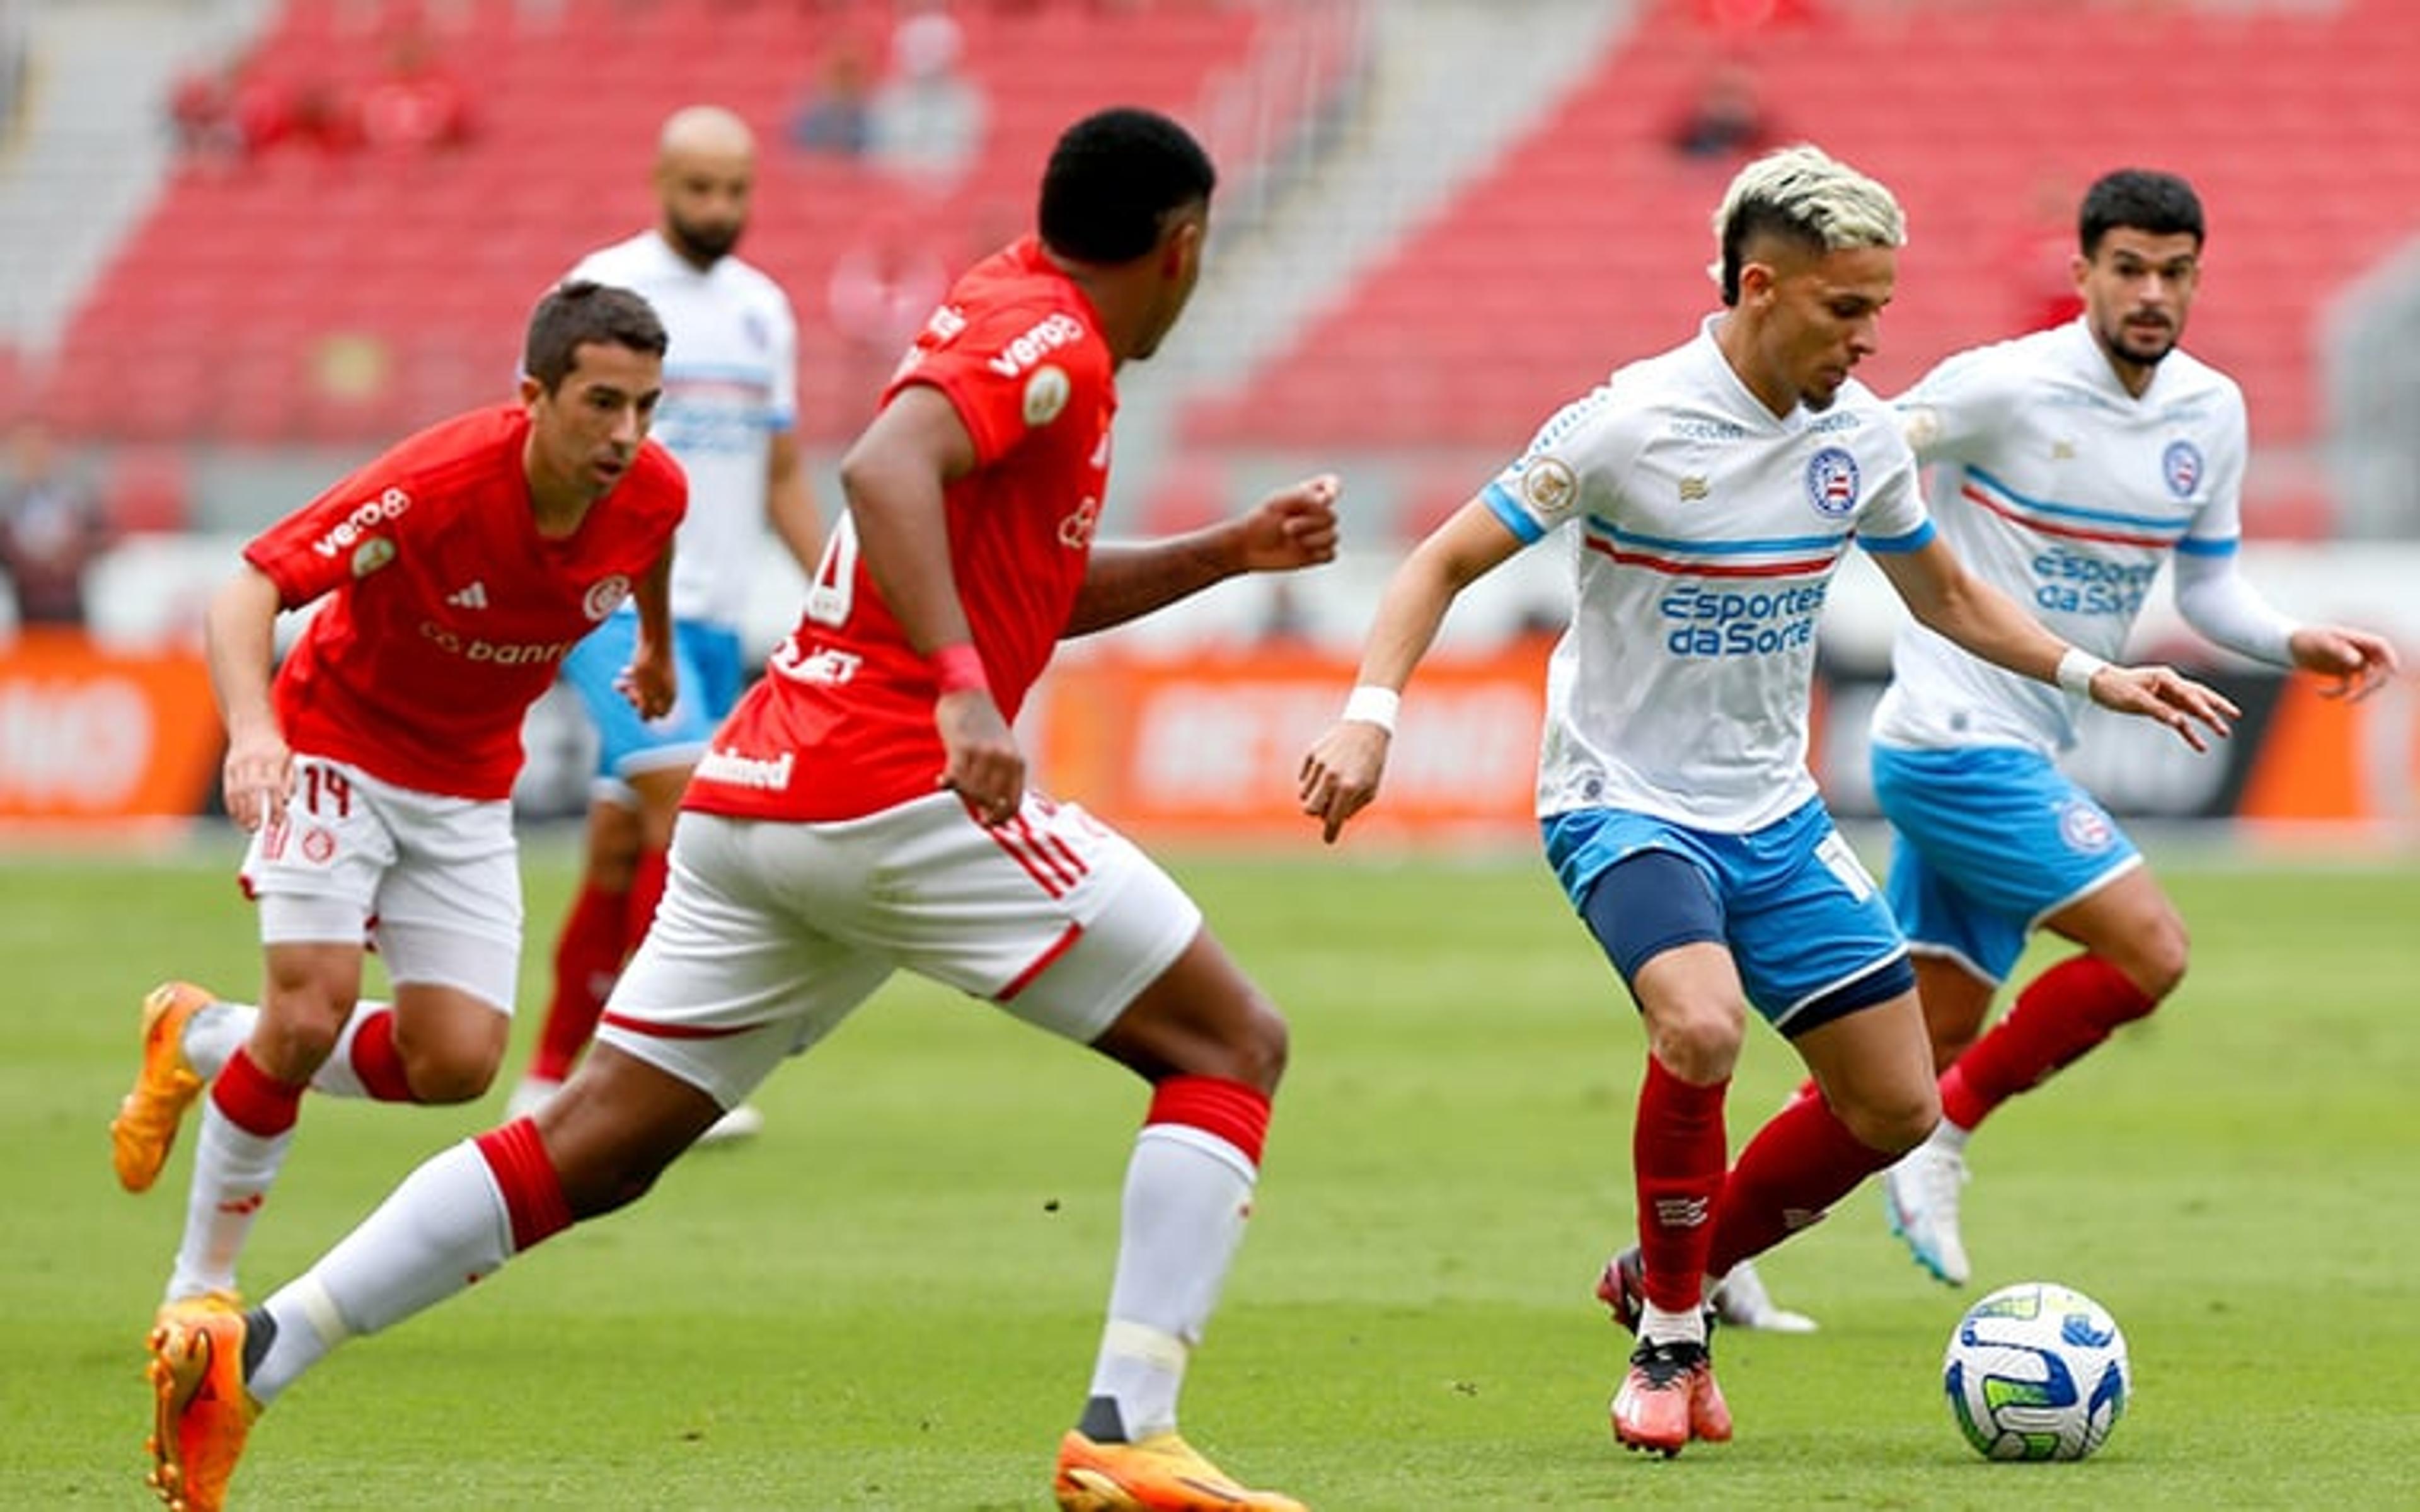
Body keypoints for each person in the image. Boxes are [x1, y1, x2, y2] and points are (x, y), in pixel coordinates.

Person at [142, 106, 1338, 1512]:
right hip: (889, 787)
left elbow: (1016, 582)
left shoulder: (1002, 310)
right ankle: (1127, 1429)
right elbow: (878, 469)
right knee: (1229, 1042)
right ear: (1183, 248)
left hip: (758, 800)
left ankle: (255, 1354)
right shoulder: (1052, 342)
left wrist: (1228, 552)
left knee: (593, 1142)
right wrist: (960, 692)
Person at [1297, 144, 2236, 1458]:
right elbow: (1442, 561)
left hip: (1773, 816)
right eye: (1847, 310)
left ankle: (1656, 1271)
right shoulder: (1629, 423)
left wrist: (2099, 674)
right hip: (1622, 801)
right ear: (1760, 288)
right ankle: (1674, 1347)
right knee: (1701, 1027)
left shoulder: (1858, 442)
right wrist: (1370, 714)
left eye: (1881, 312)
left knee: (1899, 1107)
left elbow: (1949, 597)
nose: (1869, 341)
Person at [111, 279, 684, 1497]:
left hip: (469, 785)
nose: (625, 433)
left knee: (457, 1064)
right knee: (312, 1007)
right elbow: (248, 587)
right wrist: (253, 732)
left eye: (642, 405)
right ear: (533, 397)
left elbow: (654, 544)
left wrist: (657, 643)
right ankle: (202, 1293)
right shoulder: (435, 484)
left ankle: (203, 1037)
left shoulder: (654, 488)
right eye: (599, 403)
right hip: (330, 745)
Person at [1845, 168, 2400, 1290]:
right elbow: (1862, 453)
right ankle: (1950, 1135)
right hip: (1950, 736)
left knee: (1913, 1047)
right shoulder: (2004, 389)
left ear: (2198, 277)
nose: (2153, 292)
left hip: (2029, 739)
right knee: (2151, 949)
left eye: (2175, 272)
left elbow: (2206, 591)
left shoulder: (2211, 412)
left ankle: (1706, 1250)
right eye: (2130, 268)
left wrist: (2292, 642)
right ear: (2084, 272)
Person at [504, 104, 824, 1145]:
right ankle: (654, 1085)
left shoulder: (764, 312)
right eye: (699, 189)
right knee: (690, 823)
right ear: (659, 178)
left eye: (735, 190)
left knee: (614, 848)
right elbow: (535, 451)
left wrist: (835, 590)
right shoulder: (600, 293)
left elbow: (776, 470)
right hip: (614, 608)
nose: (718, 208)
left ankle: (548, 1080)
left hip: (714, 619)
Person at [0, 417, 113, 629]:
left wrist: (70, 557)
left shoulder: (77, 498)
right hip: (27, 605)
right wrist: (29, 566)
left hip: (69, 602)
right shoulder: (7, 505)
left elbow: (101, 539)